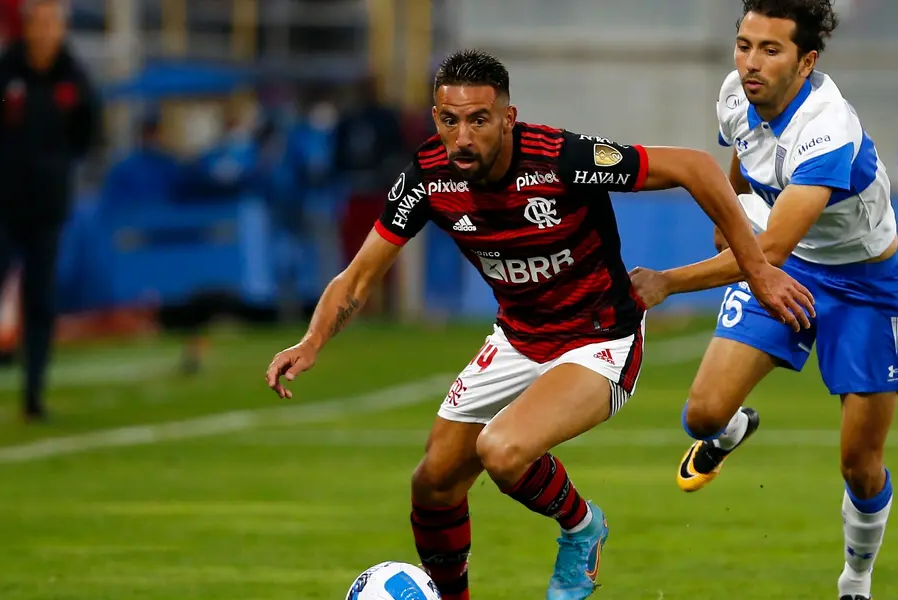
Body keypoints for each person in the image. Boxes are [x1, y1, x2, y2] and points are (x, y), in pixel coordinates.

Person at [265, 49, 814, 600]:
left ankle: (583, 530)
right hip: (519, 337)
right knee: (433, 484)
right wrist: (313, 340)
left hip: (600, 338)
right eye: (448, 120)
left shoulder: (562, 158)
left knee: (502, 451)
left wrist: (758, 270)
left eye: (478, 120)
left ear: (508, 118)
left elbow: (694, 167)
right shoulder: (428, 178)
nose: (462, 137)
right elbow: (359, 275)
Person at [629, 2, 898, 599]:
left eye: (771, 49)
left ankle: (855, 581)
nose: (750, 62)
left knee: (859, 464)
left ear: (807, 60)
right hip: (782, 262)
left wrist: (668, 282)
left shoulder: (827, 129)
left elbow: (770, 253)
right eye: (744, 44)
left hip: (864, 286)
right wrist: (730, 211)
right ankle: (731, 431)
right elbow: (741, 156)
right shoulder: (737, 91)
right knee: (702, 415)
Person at [0, 0, 98, 422]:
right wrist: (1, 167)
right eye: (39, 22)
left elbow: (84, 135)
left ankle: (33, 395)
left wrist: (49, 170)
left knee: (40, 302)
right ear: (26, 25)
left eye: (53, 22)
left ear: (62, 27)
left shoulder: (74, 80)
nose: (46, 31)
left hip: (46, 205)